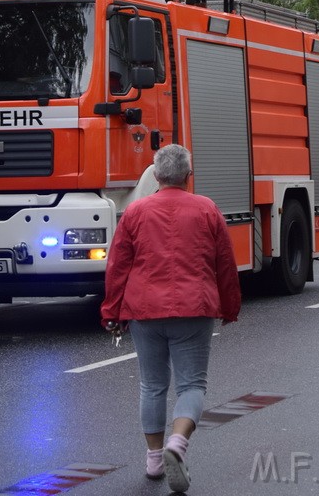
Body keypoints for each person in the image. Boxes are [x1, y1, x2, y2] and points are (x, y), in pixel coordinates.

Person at [101, 144, 241, 493]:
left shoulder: (135, 212)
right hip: (195, 308)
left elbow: (118, 267)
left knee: (152, 385)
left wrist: (112, 310)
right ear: (188, 175)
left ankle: (153, 459)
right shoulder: (207, 209)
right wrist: (230, 306)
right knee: (192, 384)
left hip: (144, 310)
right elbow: (225, 262)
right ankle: (177, 442)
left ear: (157, 174)